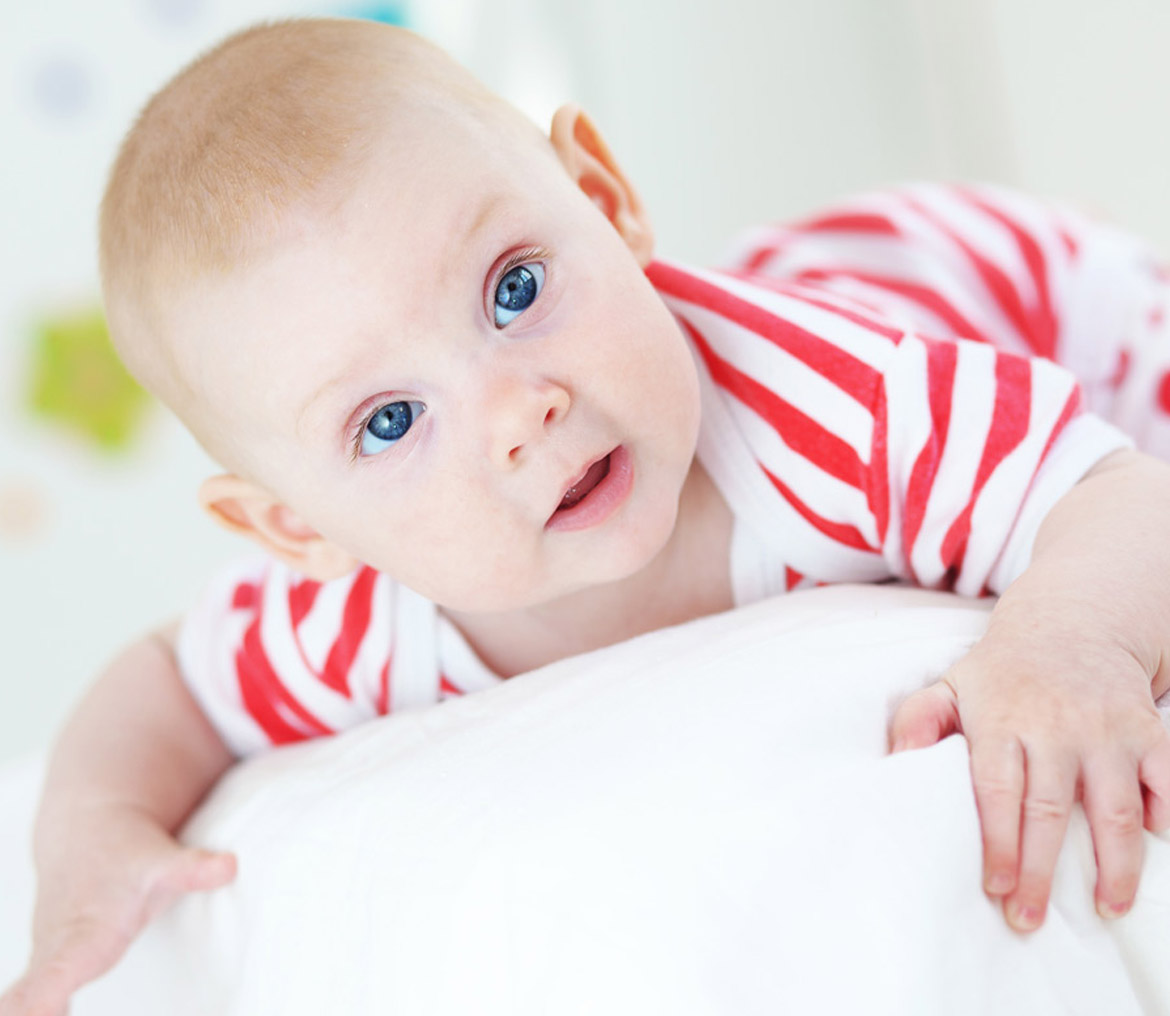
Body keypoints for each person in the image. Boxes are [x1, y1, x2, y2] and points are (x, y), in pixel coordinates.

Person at [6, 16, 1170, 1014]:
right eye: (391, 421)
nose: (520, 412)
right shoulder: (358, 618)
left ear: (606, 205)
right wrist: (89, 831)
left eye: (514, 288)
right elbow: (167, 680)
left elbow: (1115, 494)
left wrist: (1069, 641)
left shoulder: (838, 413)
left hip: (1015, 287)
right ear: (296, 530)